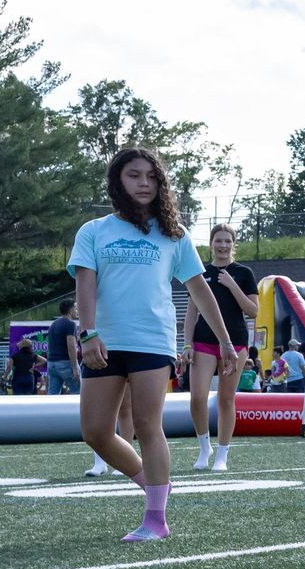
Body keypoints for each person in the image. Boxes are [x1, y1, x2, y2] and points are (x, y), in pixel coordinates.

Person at [70, 147, 243, 541]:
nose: (143, 183)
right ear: (118, 181)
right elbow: (85, 285)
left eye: (151, 176)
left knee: (149, 424)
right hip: (104, 342)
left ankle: (155, 519)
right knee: (96, 431)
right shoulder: (94, 231)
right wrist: (88, 333)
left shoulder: (174, 235)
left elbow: (200, 291)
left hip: (153, 341)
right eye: (134, 175)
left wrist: (225, 342)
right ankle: (154, 483)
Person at [183, 224, 259, 472]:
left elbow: (253, 311)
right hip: (204, 341)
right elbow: (191, 312)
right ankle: (205, 447)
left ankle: (222, 454)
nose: (223, 245)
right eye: (219, 241)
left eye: (227, 241)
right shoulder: (199, 272)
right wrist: (186, 344)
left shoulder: (243, 273)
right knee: (197, 398)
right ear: (211, 244)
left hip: (235, 342)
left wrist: (232, 285)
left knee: (226, 399)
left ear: (233, 244)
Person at [46, 299, 82, 395]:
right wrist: (74, 368)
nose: (77, 310)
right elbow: (71, 346)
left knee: (52, 394)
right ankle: (76, 411)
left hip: (51, 364)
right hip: (65, 363)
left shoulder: (53, 324)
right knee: (77, 392)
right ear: (70, 310)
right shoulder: (70, 324)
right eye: (75, 308)